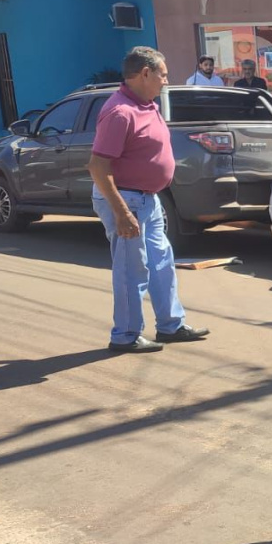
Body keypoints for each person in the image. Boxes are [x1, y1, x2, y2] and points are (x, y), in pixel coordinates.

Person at [86, 47, 210, 353]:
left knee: (162, 262)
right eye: (163, 74)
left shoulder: (146, 104)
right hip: (126, 200)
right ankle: (125, 335)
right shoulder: (120, 112)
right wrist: (122, 212)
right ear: (145, 73)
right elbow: (97, 166)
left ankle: (171, 325)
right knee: (132, 269)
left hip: (148, 200)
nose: (166, 81)